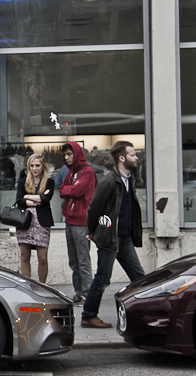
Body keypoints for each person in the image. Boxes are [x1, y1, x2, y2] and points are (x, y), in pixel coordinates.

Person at [81, 141, 146, 329]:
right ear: (122, 158)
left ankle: (144, 314)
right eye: (133, 155)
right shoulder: (109, 181)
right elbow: (94, 209)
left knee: (140, 278)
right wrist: (93, 232)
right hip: (110, 240)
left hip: (124, 239)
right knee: (102, 279)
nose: (136, 158)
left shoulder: (129, 179)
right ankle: (88, 316)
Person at [59, 141, 96, 304]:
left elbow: (76, 190)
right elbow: (61, 190)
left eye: (69, 154)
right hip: (70, 221)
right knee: (73, 260)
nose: (67, 158)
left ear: (77, 154)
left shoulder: (87, 171)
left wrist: (70, 190)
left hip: (82, 222)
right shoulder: (71, 172)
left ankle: (88, 293)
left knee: (83, 260)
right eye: (65, 155)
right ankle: (78, 291)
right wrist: (70, 190)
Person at [14, 153, 54, 283]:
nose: (34, 168)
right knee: (25, 256)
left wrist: (28, 197)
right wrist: (38, 200)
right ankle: (28, 285)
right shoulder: (23, 181)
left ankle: (42, 285)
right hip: (25, 222)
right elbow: (19, 201)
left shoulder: (49, 182)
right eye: (32, 166)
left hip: (42, 223)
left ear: (43, 166)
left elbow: (46, 199)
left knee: (42, 257)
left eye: (37, 165)